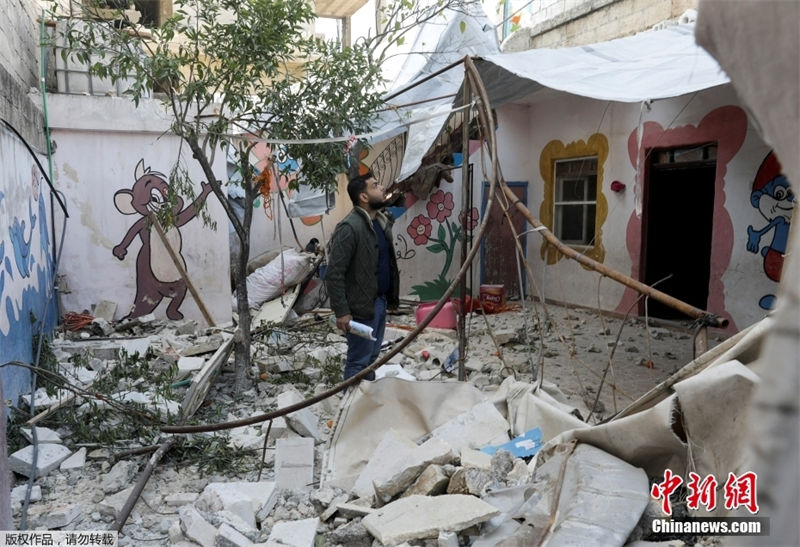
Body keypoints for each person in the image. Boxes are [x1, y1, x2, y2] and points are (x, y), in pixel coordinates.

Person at [325, 172, 399, 380]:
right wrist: (342, 312)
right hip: (361, 308)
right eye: (375, 185)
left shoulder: (379, 222)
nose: (382, 187)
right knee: (359, 360)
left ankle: (365, 402)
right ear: (363, 197)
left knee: (371, 357)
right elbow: (334, 273)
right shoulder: (350, 228)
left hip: (378, 302)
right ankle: (353, 407)